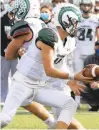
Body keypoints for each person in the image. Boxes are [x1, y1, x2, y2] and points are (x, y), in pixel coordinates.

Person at [0, 3, 93, 129]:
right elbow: (49, 70)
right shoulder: (48, 35)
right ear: (66, 21)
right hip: (24, 83)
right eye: (75, 22)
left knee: (69, 104)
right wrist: (74, 76)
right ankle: (51, 123)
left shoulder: (68, 40)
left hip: (40, 85)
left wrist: (69, 81)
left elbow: (59, 64)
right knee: (5, 119)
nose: (77, 26)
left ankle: (52, 125)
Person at [3, 0, 57, 128]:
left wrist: (19, 52)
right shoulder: (45, 25)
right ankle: (53, 124)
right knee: (26, 101)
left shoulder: (25, 27)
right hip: (42, 75)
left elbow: (9, 55)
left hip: (26, 77)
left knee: (5, 117)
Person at [72, 0, 99, 107]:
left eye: (88, 5)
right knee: (77, 76)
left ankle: (91, 101)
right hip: (78, 50)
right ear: (81, 6)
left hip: (90, 51)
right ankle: (77, 101)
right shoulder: (75, 18)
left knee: (92, 77)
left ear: (92, 6)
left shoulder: (96, 19)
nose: (86, 7)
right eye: (84, 5)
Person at [1, 0, 18, 104]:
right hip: (3, 53)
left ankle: (15, 98)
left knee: (16, 77)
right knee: (3, 76)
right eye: (11, 5)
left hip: (17, 54)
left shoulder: (19, 20)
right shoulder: (2, 20)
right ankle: (3, 98)